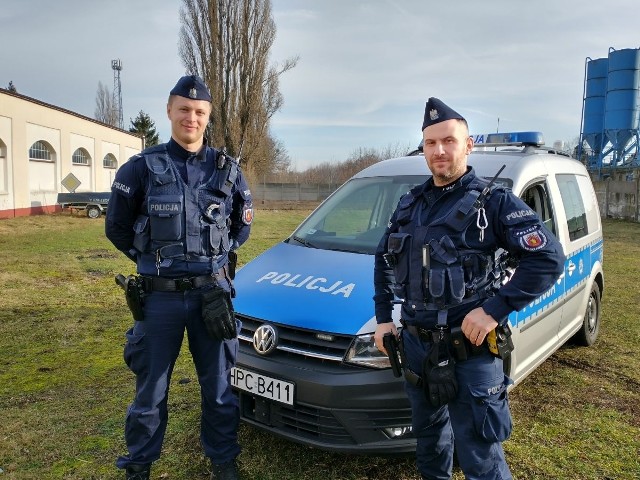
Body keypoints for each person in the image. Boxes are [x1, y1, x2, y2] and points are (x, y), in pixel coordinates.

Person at [373, 97, 565, 480]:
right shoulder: (410, 204)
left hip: (471, 351)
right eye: (431, 143)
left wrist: (494, 309)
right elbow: (383, 259)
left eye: (449, 140)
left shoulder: (493, 203)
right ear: (422, 148)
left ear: (468, 144)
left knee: (481, 458)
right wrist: (382, 319)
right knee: (429, 448)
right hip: (415, 347)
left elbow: (548, 258)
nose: (439, 150)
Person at [105, 75, 253, 480]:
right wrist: (151, 262)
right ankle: (139, 465)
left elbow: (242, 226)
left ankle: (223, 462)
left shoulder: (227, 172)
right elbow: (115, 227)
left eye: (200, 112)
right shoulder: (140, 168)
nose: (192, 117)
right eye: (184, 109)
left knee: (220, 389)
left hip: (213, 297)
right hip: (160, 300)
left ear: (208, 117)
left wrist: (216, 262)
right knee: (150, 392)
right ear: (169, 111)